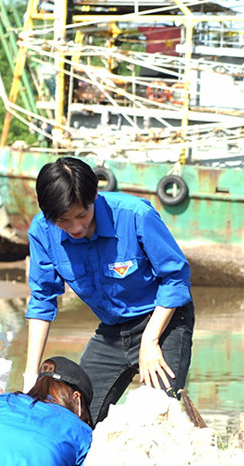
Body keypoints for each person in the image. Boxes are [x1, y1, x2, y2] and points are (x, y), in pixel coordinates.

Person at [23, 156, 194, 424]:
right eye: (64, 221)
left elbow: (176, 277)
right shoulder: (42, 231)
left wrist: (150, 341)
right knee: (77, 415)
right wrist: (30, 376)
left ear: (94, 197)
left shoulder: (135, 215)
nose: (76, 227)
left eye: (82, 215)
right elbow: (42, 300)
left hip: (163, 321)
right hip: (112, 331)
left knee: (158, 414)